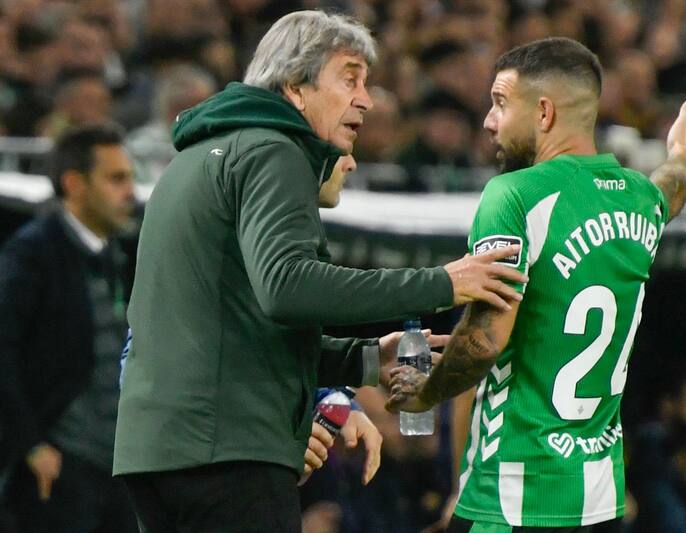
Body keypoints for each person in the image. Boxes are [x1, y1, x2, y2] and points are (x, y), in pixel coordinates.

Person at [114, 10, 526, 533]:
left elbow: (238, 329)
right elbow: (287, 288)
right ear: (295, 86)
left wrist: (366, 360)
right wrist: (442, 281)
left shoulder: (200, 156)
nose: (366, 99)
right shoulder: (273, 148)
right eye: (349, 78)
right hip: (226, 449)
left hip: (162, 450)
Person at [387, 37, 686, 532]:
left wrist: (425, 394)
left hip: (514, 493)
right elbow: (673, 188)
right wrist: (681, 154)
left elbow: (485, 339)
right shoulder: (639, 199)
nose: (489, 121)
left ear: (543, 113)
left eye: (499, 104)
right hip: (599, 500)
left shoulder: (514, 195)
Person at [0, 124, 137, 533]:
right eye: (116, 179)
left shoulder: (123, 255)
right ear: (75, 184)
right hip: (63, 467)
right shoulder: (32, 254)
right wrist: (31, 445)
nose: (130, 191)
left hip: (122, 465)